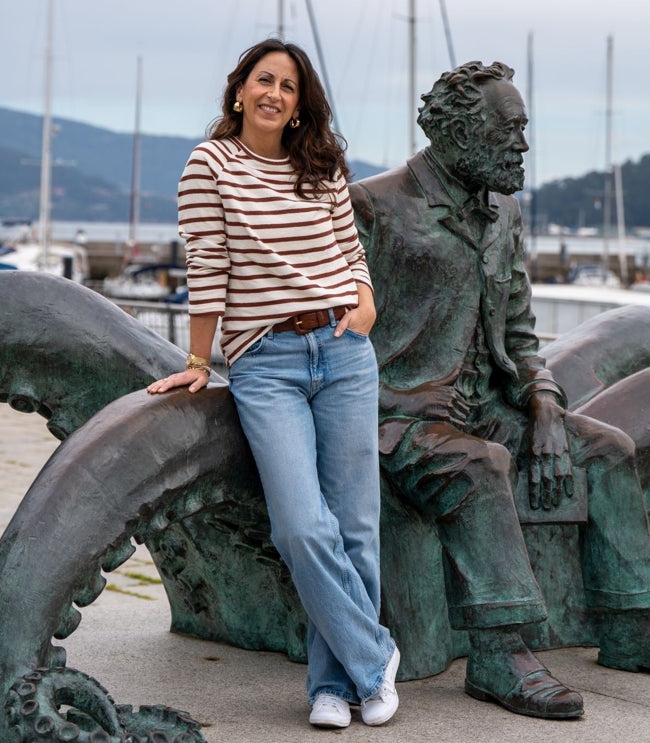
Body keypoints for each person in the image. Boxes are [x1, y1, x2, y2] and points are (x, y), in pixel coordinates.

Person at [349, 60, 650, 720]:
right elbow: (332, 341)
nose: (523, 145)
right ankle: (499, 652)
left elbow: (518, 336)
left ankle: (632, 629)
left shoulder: (504, 211)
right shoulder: (374, 206)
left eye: (524, 129)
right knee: (480, 466)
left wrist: (544, 404)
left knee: (608, 448)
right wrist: (398, 403)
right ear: (456, 134)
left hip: (487, 407)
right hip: (392, 421)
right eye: (509, 131)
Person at [147, 38, 399, 729]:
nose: (275, 94)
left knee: (354, 527)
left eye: (289, 86)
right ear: (238, 91)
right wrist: (200, 363)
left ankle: (332, 687)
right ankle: (374, 656)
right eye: (265, 80)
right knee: (300, 525)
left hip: (345, 351)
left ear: (298, 104)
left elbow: (351, 251)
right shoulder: (211, 165)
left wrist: (365, 299)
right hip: (266, 362)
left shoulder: (320, 163)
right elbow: (208, 266)